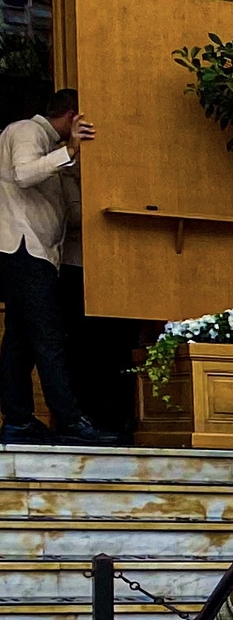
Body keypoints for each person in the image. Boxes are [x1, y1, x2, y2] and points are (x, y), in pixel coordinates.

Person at [0, 87, 113, 447]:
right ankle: (69, 421)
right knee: (48, 340)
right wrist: (69, 151)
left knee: (20, 342)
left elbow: (71, 213)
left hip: (35, 252)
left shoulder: (51, 147)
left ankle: (18, 419)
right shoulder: (26, 131)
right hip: (23, 249)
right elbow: (22, 174)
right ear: (72, 116)